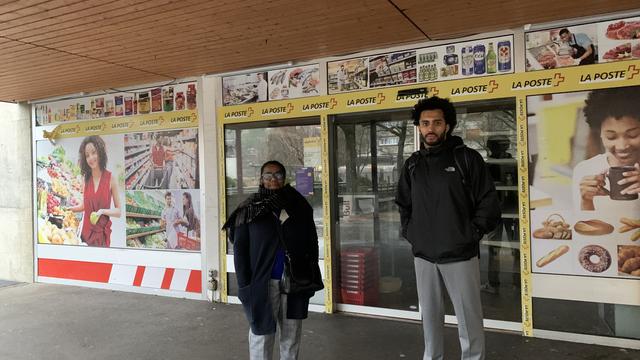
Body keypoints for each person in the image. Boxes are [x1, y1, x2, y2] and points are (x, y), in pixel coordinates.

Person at [395, 96, 501, 360]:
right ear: (419, 127)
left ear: (448, 126)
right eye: (425, 123)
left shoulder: (467, 159)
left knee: (468, 318)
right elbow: (404, 204)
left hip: (460, 253)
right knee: (429, 317)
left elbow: (488, 202)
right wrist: (411, 233)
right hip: (424, 256)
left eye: (437, 123)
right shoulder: (413, 164)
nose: (431, 128)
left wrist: (470, 234)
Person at [223, 160, 321, 360]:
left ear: (285, 179)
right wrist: (244, 286)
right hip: (261, 282)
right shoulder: (248, 209)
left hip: (295, 280)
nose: (273, 179)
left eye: (278, 175)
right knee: (262, 333)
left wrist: (311, 272)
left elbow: (311, 242)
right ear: (261, 179)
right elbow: (240, 251)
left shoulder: (298, 205)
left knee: (291, 333)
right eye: (268, 175)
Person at [574, 87, 640, 211]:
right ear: (600, 134)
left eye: (633, 135)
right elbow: (583, 226)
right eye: (611, 137)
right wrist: (586, 201)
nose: (622, 146)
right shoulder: (584, 170)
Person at [482, 136, 519, 295]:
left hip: (495, 210)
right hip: (512, 211)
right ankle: (518, 284)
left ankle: (493, 284)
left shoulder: (488, 164)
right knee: (515, 247)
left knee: (494, 248)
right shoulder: (514, 162)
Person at [70, 135, 122, 247]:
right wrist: (70, 210)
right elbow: (84, 206)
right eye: (87, 155)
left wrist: (102, 211)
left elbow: (119, 211)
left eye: (94, 152)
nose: (91, 158)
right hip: (85, 234)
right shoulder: (85, 179)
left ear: (100, 153)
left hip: (101, 237)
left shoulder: (111, 179)